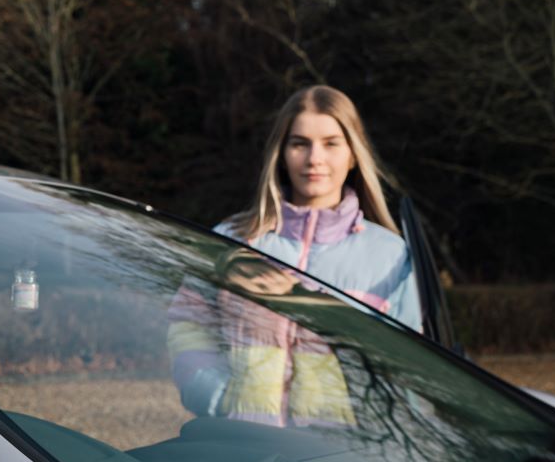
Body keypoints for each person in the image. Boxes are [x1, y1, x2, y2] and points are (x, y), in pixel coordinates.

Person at [167, 85, 418, 425]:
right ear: (282, 152)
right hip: (242, 446)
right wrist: (219, 398)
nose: (315, 158)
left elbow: (411, 365)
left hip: (346, 459)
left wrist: (367, 420)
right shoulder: (230, 241)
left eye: (331, 143)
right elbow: (188, 326)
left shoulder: (390, 256)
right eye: (300, 143)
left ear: (353, 154)